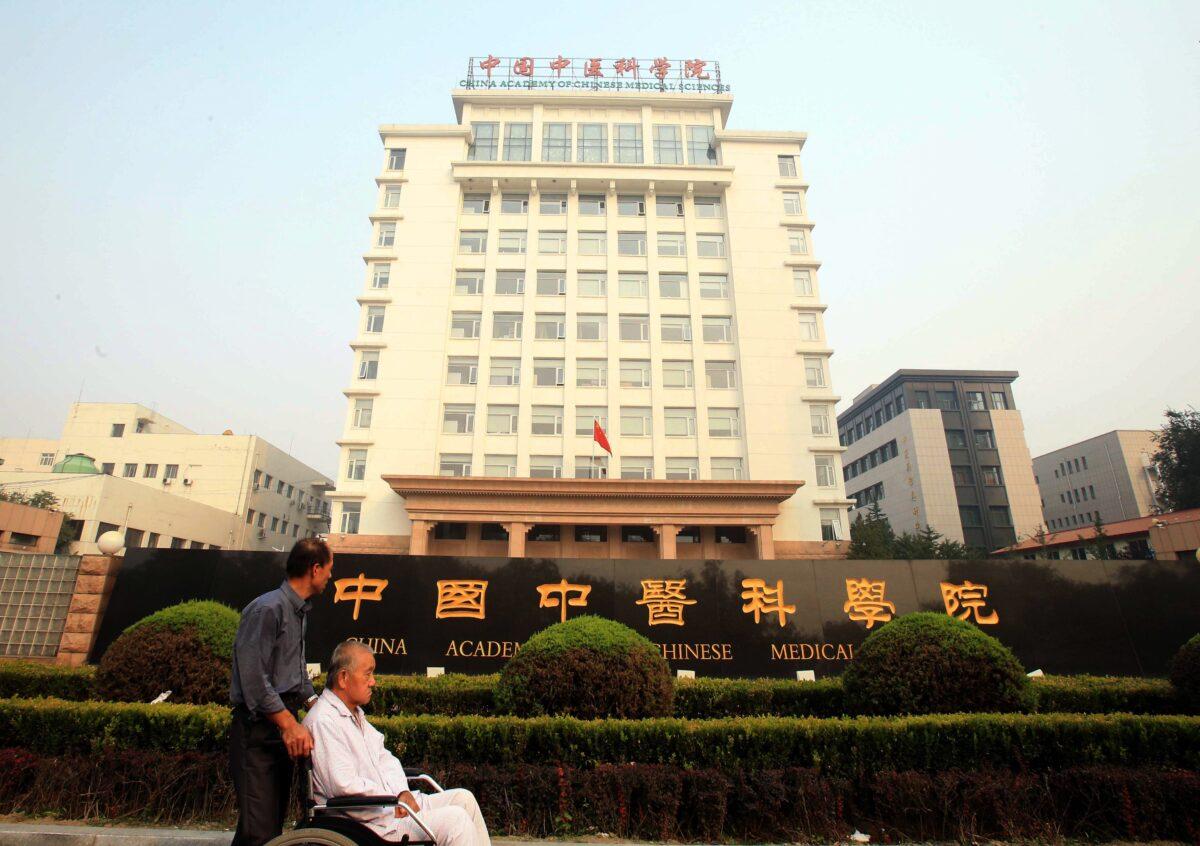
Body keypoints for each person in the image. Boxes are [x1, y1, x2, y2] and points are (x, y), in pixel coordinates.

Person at [304, 640, 491, 846]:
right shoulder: (324, 721)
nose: (373, 681)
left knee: (464, 799)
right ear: (343, 678)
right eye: (368, 674)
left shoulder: (355, 715)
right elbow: (343, 784)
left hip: (390, 806)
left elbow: (387, 761)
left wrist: (402, 792)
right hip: (370, 821)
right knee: (456, 821)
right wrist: (394, 797)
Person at [229, 537, 334, 846]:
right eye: (329, 569)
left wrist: (319, 707)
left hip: (281, 726)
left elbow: (296, 673)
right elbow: (253, 678)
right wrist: (288, 724)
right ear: (315, 569)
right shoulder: (267, 609)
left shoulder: (297, 610)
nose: (330, 576)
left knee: (266, 825)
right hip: (258, 731)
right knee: (259, 830)